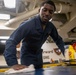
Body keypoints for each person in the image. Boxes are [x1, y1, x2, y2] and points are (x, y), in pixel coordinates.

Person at [4, 0, 65, 70]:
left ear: (52, 15)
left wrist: (63, 55)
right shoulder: (29, 24)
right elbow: (11, 41)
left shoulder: (50, 26)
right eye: (44, 10)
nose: (47, 13)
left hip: (38, 55)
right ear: (39, 10)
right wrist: (13, 63)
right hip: (27, 56)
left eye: (50, 12)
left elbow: (58, 40)